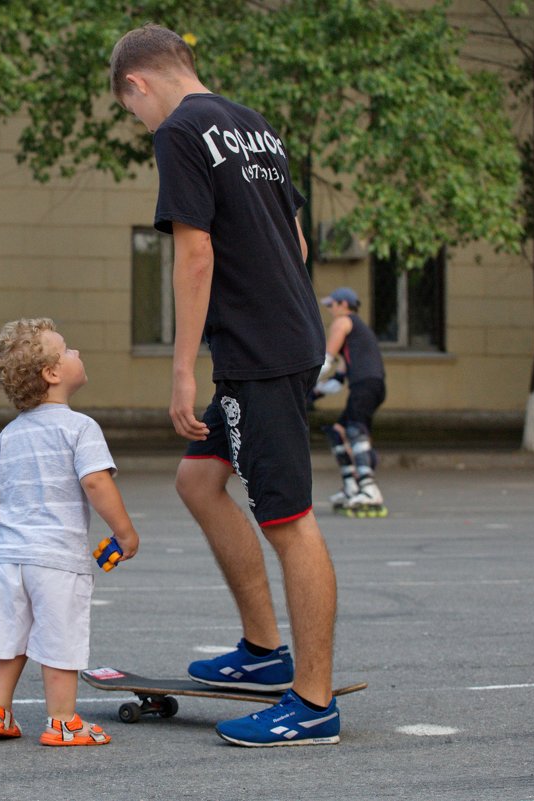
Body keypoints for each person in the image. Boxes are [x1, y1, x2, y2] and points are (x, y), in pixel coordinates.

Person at [110, 23, 341, 747]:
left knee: (288, 519)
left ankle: (312, 702)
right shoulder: (254, 127)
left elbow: (195, 253)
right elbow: (298, 241)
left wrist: (183, 367)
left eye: (130, 110)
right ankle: (263, 650)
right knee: (199, 480)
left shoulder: (179, 130)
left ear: (138, 84)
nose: (139, 121)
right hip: (289, 335)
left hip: (257, 352)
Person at [0, 318, 139, 746]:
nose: (77, 354)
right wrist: (124, 533)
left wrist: (1, 537)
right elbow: (96, 482)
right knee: (60, 637)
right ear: (52, 374)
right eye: (67, 350)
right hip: (56, 559)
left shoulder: (8, 435)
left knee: (9, 635)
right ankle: (63, 722)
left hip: (10, 557)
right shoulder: (79, 428)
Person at [318, 287, 388, 515]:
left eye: (332, 305)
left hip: (365, 385)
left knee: (355, 430)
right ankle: (351, 486)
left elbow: (326, 361)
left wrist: (297, 383)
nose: (330, 310)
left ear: (343, 305)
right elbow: (337, 379)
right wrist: (315, 392)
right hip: (371, 385)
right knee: (339, 430)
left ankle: (369, 488)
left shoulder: (343, 322)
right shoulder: (358, 332)